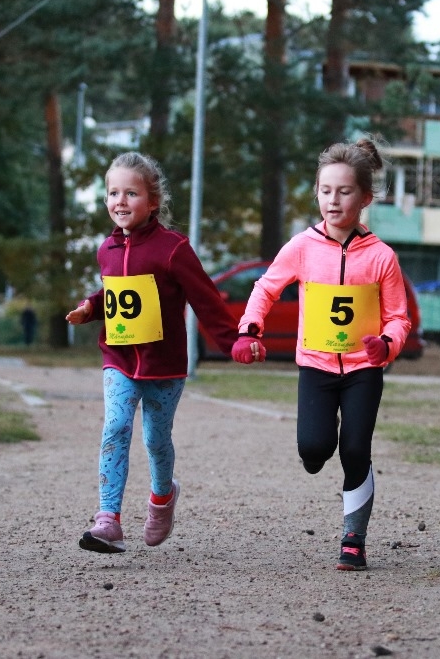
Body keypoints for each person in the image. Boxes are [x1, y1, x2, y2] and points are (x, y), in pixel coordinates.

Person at [231, 138, 411, 572]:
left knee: (355, 449)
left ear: (364, 198)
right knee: (314, 448)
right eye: (326, 190)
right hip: (316, 366)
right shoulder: (302, 247)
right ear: (316, 192)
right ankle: (316, 452)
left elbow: (399, 318)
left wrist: (385, 344)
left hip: (364, 369)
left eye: (344, 191)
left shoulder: (382, 258)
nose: (334, 199)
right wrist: (247, 329)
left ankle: (354, 539)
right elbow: (266, 288)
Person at [66, 152, 239, 554]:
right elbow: (111, 289)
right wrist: (91, 307)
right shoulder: (106, 248)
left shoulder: (173, 248)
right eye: (113, 193)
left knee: (156, 440)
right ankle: (108, 519)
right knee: (116, 427)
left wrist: (234, 342)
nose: (120, 201)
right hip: (120, 359)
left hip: (165, 366)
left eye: (131, 193)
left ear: (153, 201)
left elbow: (206, 299)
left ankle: (162, 498)